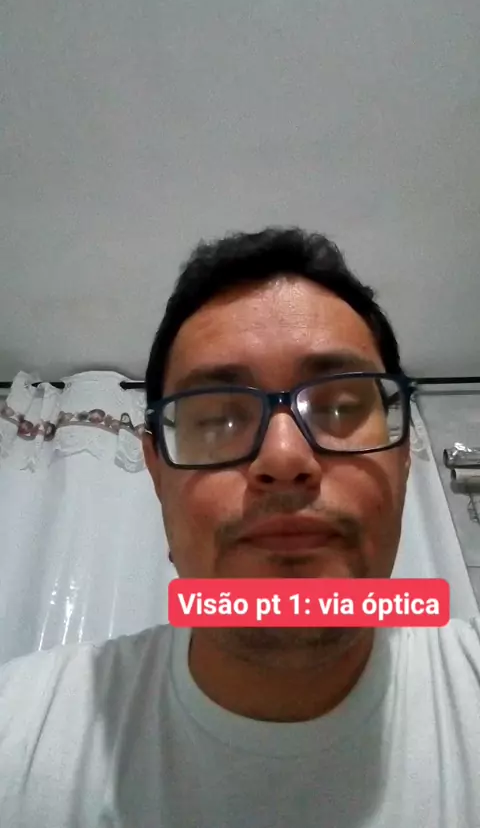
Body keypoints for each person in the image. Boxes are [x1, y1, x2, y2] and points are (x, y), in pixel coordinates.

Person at [0, 228, 479, 828]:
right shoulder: (17, 736)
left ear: (404, 457)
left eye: (339, 407)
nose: (284, 458)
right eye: (218, 417)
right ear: (157, 475)